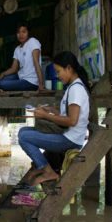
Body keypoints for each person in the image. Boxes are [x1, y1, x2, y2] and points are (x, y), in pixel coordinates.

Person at [18, 51, 90, 185]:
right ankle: (41, 166)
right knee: (23, 131)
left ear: (69, 68)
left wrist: (46, 116)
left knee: (24, 137)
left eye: (58, 71)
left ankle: (47, 171)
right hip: (67, 135)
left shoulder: (76, 90)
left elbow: (72, 121)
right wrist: (51, 110)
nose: (57, 76)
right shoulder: (73, 87)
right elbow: (67, 114)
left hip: (70, 140)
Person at [0, 22, 44, 91]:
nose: (21, 35)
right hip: (21, 77)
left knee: (2, 84)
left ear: (28, 33)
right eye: (18, 32)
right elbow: (14, 68)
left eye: (24, 32)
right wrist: (2, 74)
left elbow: (36, 63)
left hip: (31, 81)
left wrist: (41, 84)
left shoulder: (32, 42)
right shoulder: (17, 49)